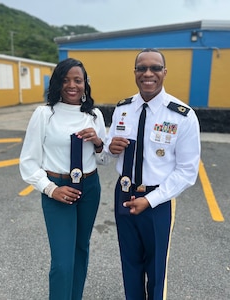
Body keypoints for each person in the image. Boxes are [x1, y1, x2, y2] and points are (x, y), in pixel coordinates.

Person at [104, 48, 201, 300]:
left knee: (156, 269)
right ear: (135, 72)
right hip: (124, 193)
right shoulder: (123, 109)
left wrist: (151, 200)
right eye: (141, 68)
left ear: (164, 72)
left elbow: (187, 171)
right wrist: (109, 146)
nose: (148, 73)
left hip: (157, 200)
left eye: (155, 68)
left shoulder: (182, 116)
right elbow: (109, 148)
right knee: (130, 262)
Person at [19, 58, 108, 300]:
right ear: (57, 83)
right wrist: (50, 189)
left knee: (80, 251)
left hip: (90, 188)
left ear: (84, 84)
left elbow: (104, 160)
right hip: (58, 190)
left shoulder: (95, 115)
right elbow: (28, 161)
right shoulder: (44, 114)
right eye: (66, 80)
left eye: (77, 80)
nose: (72, 85)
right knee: (62, 262)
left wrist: (99, 143)